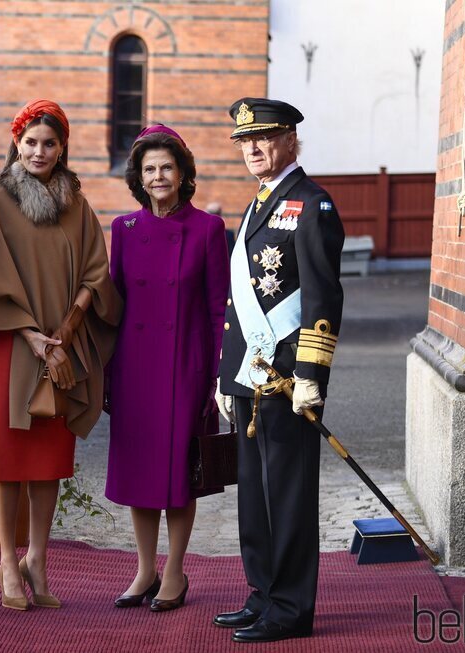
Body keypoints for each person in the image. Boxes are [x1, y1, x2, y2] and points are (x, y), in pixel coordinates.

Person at [0, 100, 121, 611]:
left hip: (63, 347)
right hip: (13, 344)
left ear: (62, 147)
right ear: (17, 143)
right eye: (31, 142)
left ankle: (39, 559)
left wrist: (67, 331)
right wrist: (33, 337)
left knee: (50, 459)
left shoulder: (78, 204)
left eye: (50, 143)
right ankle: (7, 560)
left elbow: (97, 272)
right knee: (7, 457)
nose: (40, 151)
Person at [213, 98, 345, 643]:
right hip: (250, 374)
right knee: (255, 494)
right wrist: (226, 377)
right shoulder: (258, 205)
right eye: (245, 141)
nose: (253, 149)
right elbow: (237, 301)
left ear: (291, 139)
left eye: (264, 138)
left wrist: (312, 374)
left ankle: (291, 608)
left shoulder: (313, 205)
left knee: (287, 494)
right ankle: (263, 592)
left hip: (288, 379)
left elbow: (322, 295)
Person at [104, 125, 229, 612]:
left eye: (167, 168)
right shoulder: (124, 230)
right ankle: (144, 570)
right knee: (139, 469)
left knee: (180, 471)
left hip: (185, 364)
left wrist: (217, 372)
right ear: (138, 176)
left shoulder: (207, 230)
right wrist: (106, 370)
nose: (158, 176)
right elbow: (114, 307)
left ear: (182, 174)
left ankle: (175, 570)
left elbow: (219, 305)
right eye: (149, 169)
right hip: (134, 366)